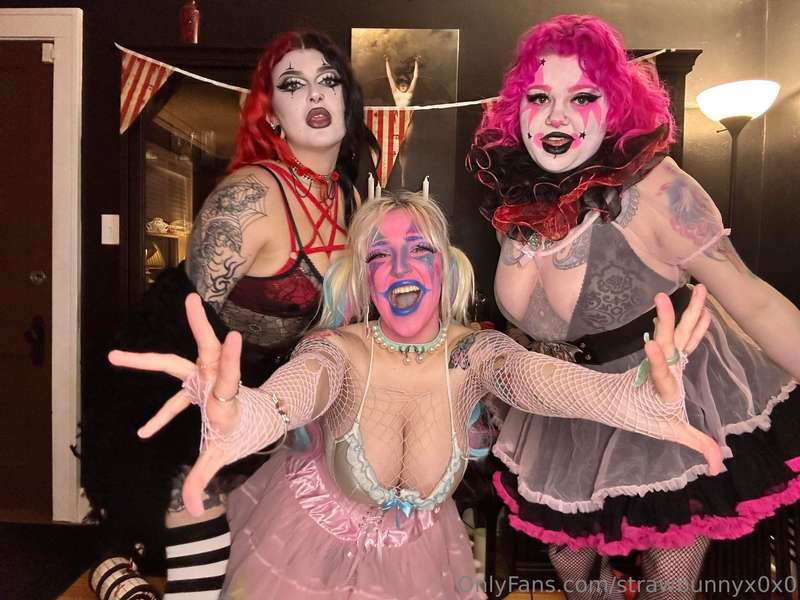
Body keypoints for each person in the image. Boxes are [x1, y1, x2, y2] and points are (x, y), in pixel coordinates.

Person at [109, 190, 721, 599]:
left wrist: (628, 398)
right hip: (305, 547)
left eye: (419, 250)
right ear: (367, 279)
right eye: (380, 256)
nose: (400, 267)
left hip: (418, 554)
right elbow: (291, 395)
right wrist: (243, 418)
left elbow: (529, 377)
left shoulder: (471, 353)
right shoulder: (339, 352)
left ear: (444, 269)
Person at [467, 14, 800, 599]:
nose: (557, 116)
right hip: (562, 403)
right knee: (572, 570)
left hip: (664, 389)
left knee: (668, 581)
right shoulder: (518, 198)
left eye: (582, 97)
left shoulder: (658, 190)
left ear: (616, 105)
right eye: (539, 97)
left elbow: (752, 299)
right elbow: (538, 318)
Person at [84, 29, 377, 599]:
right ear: (271, 115)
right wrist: (203, 420)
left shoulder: (352, 197)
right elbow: (177, 319)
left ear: (348, 99)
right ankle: (115, 564)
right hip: (190, 392)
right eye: (292, 85)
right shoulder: (250, 198)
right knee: (202, 546)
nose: (315, 95)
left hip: (281, 403)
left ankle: (117, 564)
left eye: (328, 80)